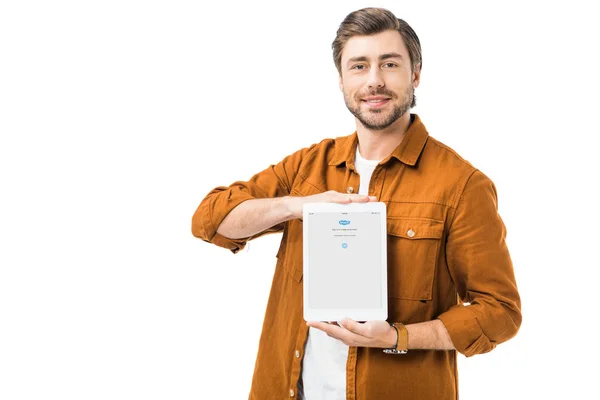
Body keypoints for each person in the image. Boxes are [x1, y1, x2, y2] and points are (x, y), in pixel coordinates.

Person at [191, 7, 521, 400]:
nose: (374, 81)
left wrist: (398, 336)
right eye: (359, 66)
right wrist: (298, 207)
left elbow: (500, 312)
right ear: (342, 79)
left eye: (390, 64)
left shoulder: (462, 186)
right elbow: (210, 220)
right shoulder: (308, 167)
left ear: (415, 74)